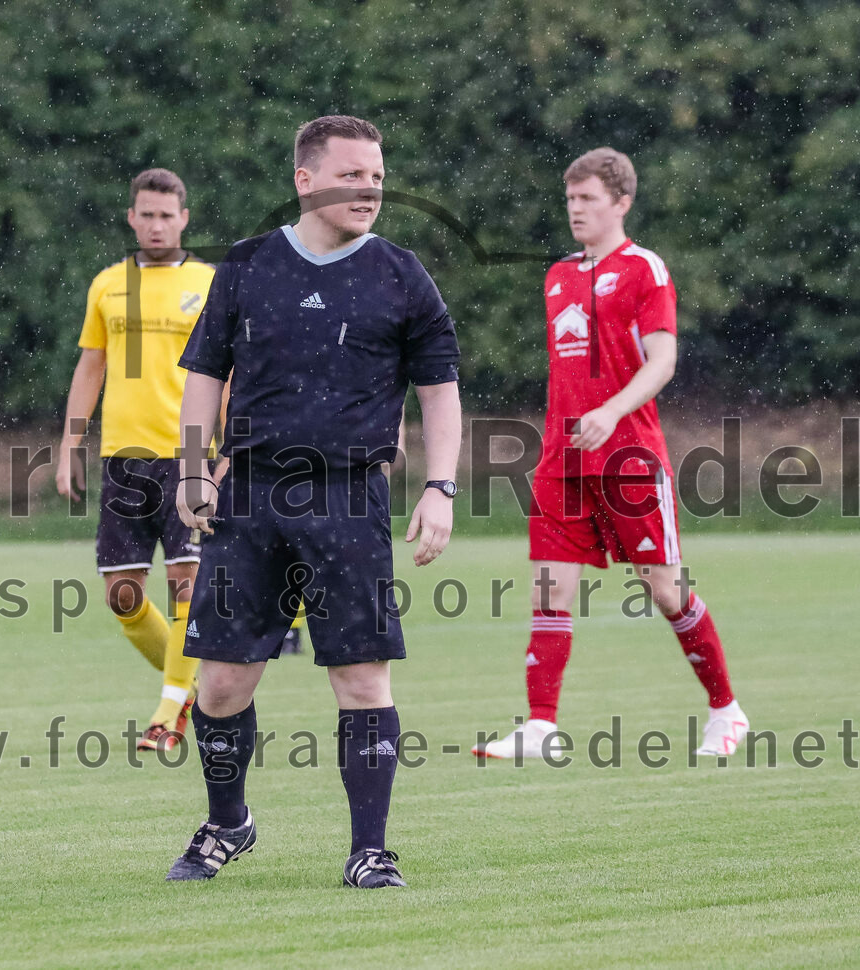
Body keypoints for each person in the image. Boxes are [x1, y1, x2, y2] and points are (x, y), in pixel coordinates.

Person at [165, 115, 462, 888]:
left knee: (362, 678)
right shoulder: (249, 265)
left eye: (377, 174)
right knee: (222, 684)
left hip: (350, 498)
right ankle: (228, 824)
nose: (371, 187)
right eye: (353, 173)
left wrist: (440, 486)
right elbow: (203, 372)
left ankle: (370, 848)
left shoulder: (402, 274)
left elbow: (440, 392)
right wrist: (193, 469)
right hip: (251, 493)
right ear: (305, 178)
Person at [474, 147, 749, 761]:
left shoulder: (644, 270)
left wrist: (611, 410)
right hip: (560, 461)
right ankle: (541, 727)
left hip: (628, 458)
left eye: (588, 199)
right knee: (549, 592)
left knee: (667, 592)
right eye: (570, 199)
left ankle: (726, 711)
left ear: (621, 203)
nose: (576, 210)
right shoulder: (558, 276)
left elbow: (663, 360)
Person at [55, 168, 216, 752]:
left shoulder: (210, 283)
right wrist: (70, 444)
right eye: (146, 214)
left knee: (185, 588)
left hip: (187, 455)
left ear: (184, 219)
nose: (155, 225)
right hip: (123, 458)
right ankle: (190, 684)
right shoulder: (107, 285)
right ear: (132, 217)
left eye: (166, 215)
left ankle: (168, 710)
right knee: (122, 596)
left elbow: (228, 374)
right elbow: (90, 368)